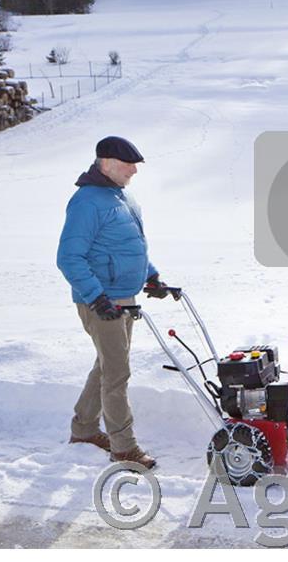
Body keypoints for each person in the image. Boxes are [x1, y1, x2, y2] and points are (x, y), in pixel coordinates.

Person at [56, 136, 171, 468]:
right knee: (117, 372)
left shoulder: (122, 197)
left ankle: (84, 429)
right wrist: (96, 297)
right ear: (105, 163)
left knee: (107, 366)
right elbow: (69, 257)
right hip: (102, 300)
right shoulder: (87, 202)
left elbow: (129, 246)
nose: (134, 170)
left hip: (124, 297)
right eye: (128, 165)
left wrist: (151, 276)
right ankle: (123, 447)